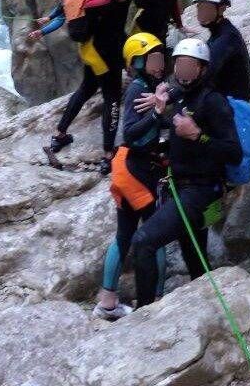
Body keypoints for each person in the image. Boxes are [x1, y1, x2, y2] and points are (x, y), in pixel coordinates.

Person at [130, 38, 242, 309]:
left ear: (202, 69)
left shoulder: (213, 102)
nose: (182, 70)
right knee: (195, 259)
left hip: (200, 192)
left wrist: (198, 136)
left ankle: (142, 314)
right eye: (179, 64)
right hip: (181, 189)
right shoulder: (183, 96)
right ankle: (205, 309)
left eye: (189, 65)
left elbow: (233, 152)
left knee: (143, 241)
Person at [47, 0, 141, 175]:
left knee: (88, 87)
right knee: (111, 96)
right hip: (102, 47)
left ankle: (60, 134)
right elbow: (91, 5)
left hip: (97, 44)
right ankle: (108, 154)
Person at [92, 32, 169, 320]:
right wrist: (156, 114)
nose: (160, 63)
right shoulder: (139, 89)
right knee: (155, 234)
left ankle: (107, 302)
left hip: (128, 168)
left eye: (161, 57)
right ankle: (156, 296)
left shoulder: (147, 85)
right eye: (154, 58)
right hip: (136, 170)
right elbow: (133, 133)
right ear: (138, 61)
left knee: (125, 234)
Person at [192, 0, 250, 101]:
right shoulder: (220, 33)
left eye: (207, 8)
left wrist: (169, 95)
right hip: (226, 99)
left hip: (232, 107)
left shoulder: (226, 38)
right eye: (200, 7)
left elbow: (203, 75)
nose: (201, 13)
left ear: (221, 8)